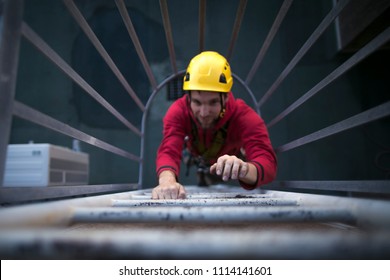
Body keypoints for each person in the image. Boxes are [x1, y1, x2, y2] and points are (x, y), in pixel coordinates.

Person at [152, 51, 277, 199]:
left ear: (226, 97)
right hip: (195, 155)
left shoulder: (244, 117)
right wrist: (167, 181)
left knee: (225, 172)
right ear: (189, 97)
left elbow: (267, 162)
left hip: (233, 158)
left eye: (213, 102)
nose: (204, 112)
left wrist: (243, 169)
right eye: (197, 102)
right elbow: (169, 151)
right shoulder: (179, 111)